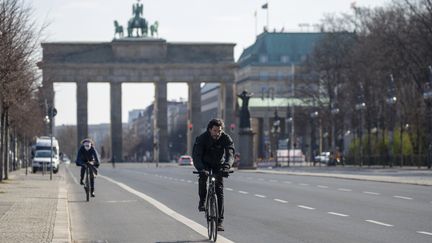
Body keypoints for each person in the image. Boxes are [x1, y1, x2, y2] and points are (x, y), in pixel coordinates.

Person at [192, 118, 235, 232]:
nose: (218, 133)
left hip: (218, 164)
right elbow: (196, 156)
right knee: (203, 177)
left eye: (219, 131)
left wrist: (227, 167)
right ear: (210, 129)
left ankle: (219, 221)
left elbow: (230, 154)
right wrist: (201, 169)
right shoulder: (202, 139)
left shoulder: (225, 138)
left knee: (219, 189)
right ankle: (202, 201)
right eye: (215, 130)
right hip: (204, 163)